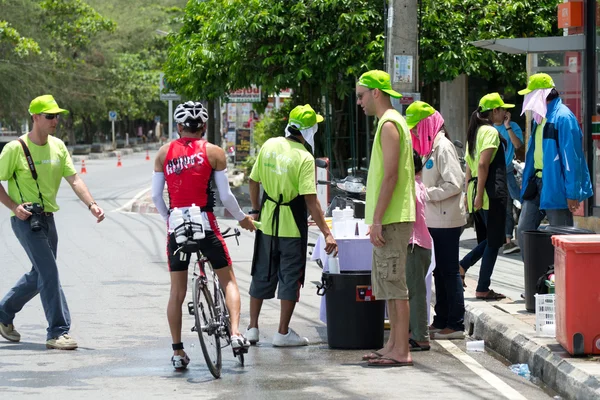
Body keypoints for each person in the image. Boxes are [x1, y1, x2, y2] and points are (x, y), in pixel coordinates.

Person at [151, 101, 256, 370]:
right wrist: (242, 218)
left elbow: (155, 196)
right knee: (229, 280)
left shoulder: (163, 154)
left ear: (178, 127)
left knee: (177, 291)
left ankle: (177, 352)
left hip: (178, 226)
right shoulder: (214, 152)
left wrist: (169, 220)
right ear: (204, 127)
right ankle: (234, 334)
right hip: (206, 224)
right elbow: (226, 196)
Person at [0, 95, 105, 350]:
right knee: (49, 272)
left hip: (48, 220)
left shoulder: (58, 146)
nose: (55, 120)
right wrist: (15, 207)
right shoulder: (15, 148)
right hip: (25, 221)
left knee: (41, 274)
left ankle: (3, 313)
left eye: (57, 115)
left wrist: (92, 204)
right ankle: (57, 331)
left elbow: (75, 180)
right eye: (50, 116)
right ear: (35, 117)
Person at [246, 104, 336, 347]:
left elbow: (253, 181)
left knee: (261, 272)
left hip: (266, 224)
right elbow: (310, 199)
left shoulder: (269, 145)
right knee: (290, 278)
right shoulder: (305, 158)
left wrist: (255, 210)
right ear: (308, 132)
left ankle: (252, 328)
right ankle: (282, 333)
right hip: (292, 230)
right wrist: (327, 233)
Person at [356, 70, 415, 367]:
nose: (359, 102)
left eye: (361, 95)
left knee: (394, 283)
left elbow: (391, 176)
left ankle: (401, 350)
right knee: (389, 284)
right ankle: (392, 345)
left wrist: (377, 219)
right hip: (388, 217)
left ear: (376, 93)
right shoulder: (389, 123)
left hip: (391, 217)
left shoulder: (390, 124)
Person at [405, 101, 466, 340]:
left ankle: (456, 323)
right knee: (439, 271)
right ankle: (441, 319)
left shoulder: (443, 147)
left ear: (427, 124)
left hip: (447, 220)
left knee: (449, 270)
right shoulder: (431, 147)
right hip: (436, 220)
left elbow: (455, 183)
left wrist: (426, 194)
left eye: (417, 127)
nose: (415, 133)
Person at [516, 73, 593, 251]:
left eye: (531, 94)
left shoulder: (563, 117)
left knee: (561, 237)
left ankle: (559, 277)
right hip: (537, 182)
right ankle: (536, 276)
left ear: (541, 94)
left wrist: (572, 193)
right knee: (523, 231)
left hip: (556, 185)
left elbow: (572, 159)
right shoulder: (540, 118)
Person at [459, 95, 509, 301]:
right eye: (502, 109)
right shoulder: (490, 132)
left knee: (491, 240)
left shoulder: (475, 132)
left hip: (478, 193)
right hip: (489, 193)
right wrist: (479, 194)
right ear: (494, 111)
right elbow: (481, 165)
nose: (505, 113)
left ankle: (466, 271)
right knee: (494, 241)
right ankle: (478, 283)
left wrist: (468, 194)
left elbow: (468, 167)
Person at [483, 93, 524, 255]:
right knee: (504, 206)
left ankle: (519, 235)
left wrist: (507, 126)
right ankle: (508, 240)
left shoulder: (512, 126)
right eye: (502, 109)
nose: (504, 112)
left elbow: (518, 145)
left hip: (508, 171)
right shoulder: (488, 128)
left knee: (521, 200)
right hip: (495, 173)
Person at [406, 150, 433, 350]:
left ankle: (420, 336)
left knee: (415, 292)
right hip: (421, 244)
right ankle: (412, 331)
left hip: (415, 244)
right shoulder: (419, 186)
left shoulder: (411, 188)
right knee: (413, 291)